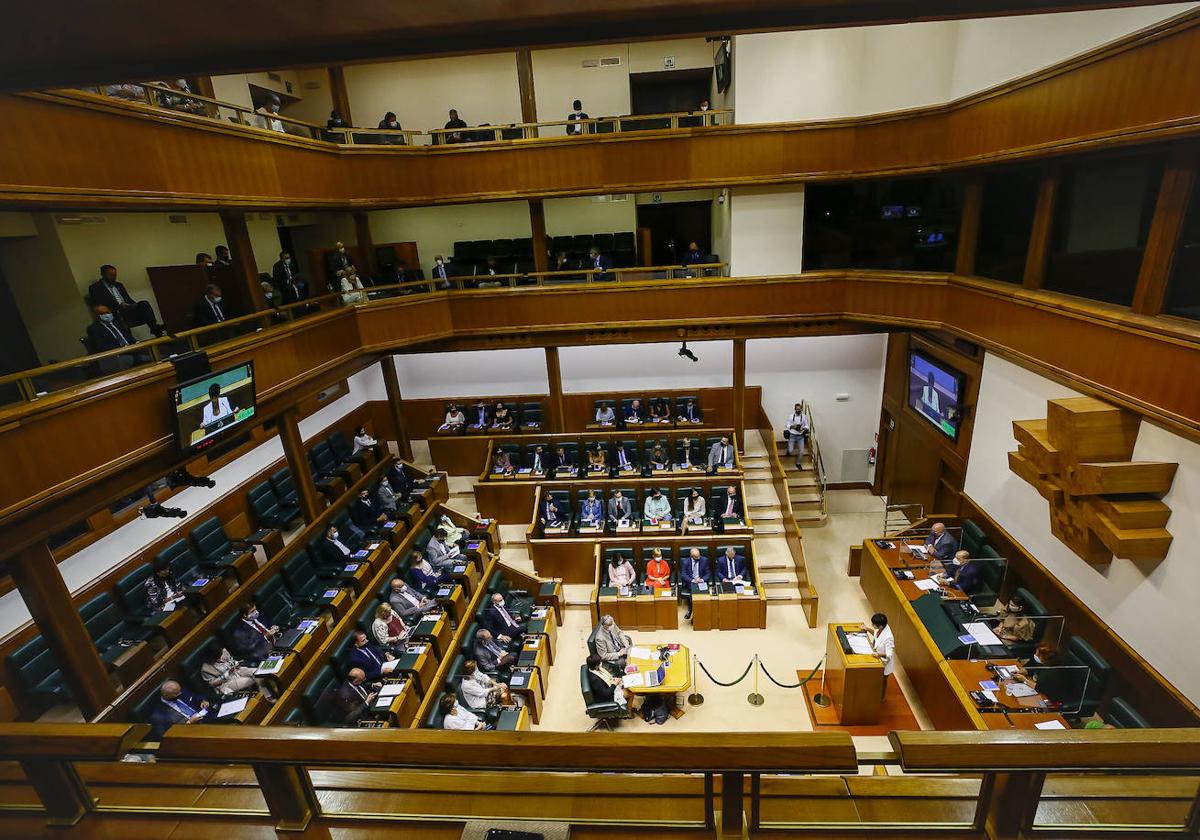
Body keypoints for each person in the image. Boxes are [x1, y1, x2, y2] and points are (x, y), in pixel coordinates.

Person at [87, 264, 167, 336]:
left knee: (144, 303)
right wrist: (118, 306)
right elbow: (100, 305)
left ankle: (154, 328)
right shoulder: (95, 288)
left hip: (128, 309)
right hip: (115, 313)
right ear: (103, 274)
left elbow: (128, 299)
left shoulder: (119, 285)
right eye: (110, 275)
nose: (113, 277)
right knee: (122, 318)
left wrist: (134, 305)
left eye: (115, 275)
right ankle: (156, 331)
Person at [200, 641, 273, 699]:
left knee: (259, 673)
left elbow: (232, 660)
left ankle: (267, 697)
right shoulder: (206, 668)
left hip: (238, 671)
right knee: (253, 679)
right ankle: (268, 697)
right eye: (218, 657)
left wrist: (237, 663)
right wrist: (227, 673)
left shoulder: (223, 651)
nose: (221, 658)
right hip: (226, 683)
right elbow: (212, 684)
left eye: (220, 654)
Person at [867, 613, 895, 699]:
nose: (872, 625)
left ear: (880, 627)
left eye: (873, 625)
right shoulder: (881, 628)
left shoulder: (888, 638)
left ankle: (881, 698)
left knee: (883, 680)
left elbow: (889, 654)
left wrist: (879, 654)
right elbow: (876, 634)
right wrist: (867, 629)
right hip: (876, 657)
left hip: (884, 661)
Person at [680, 547, 710, 621]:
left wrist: (702, 579)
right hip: (691, 582)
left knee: (698, 593)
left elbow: (708, 573)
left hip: (701, 581)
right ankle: (693, 613)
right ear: (691, 556)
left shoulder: (704, 560)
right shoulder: (685, 562)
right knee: (694, 592)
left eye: (699, 555)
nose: (698, 557)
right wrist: (693, 580)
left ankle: (691, 611)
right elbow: (683, 575)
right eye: (696, 557)